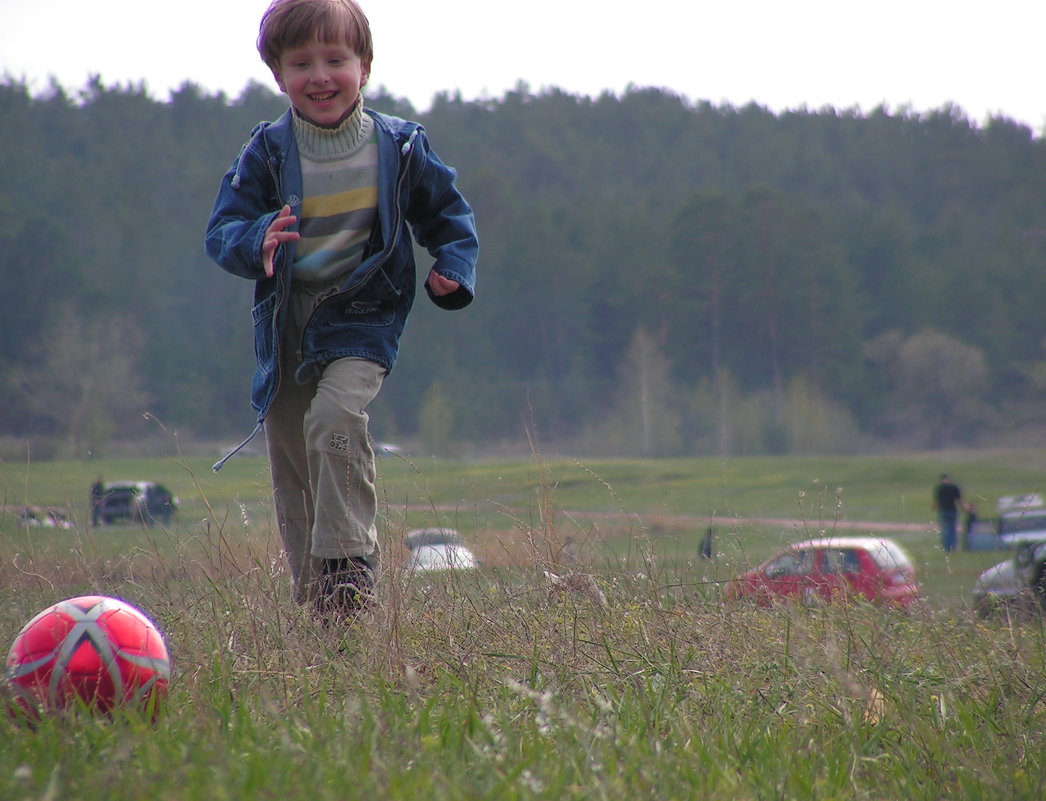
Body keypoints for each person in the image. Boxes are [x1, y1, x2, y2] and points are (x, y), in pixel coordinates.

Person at [204, 0, 478, 624]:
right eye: (301, 63)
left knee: (335, 417)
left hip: (363, 312)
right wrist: (257, 242)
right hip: (287, 320)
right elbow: (223, 229)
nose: (320, 76)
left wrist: (452, 272)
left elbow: (450, 218)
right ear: (278, 75)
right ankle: (321, 600)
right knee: (293, 451)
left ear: (365, 66)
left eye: (336, 59)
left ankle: (348, 568)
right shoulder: (268, 151)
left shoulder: (401, 147)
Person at [932, 473, 963, 552]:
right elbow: (959, 500)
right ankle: (953, 547)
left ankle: (946, 548)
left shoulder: (940, 488)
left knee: (945, 530)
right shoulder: (954, 487)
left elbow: (937, 501)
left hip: (943, 511)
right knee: (952, 530)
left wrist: (934, 507)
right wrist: (963, 507)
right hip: (952, 510)